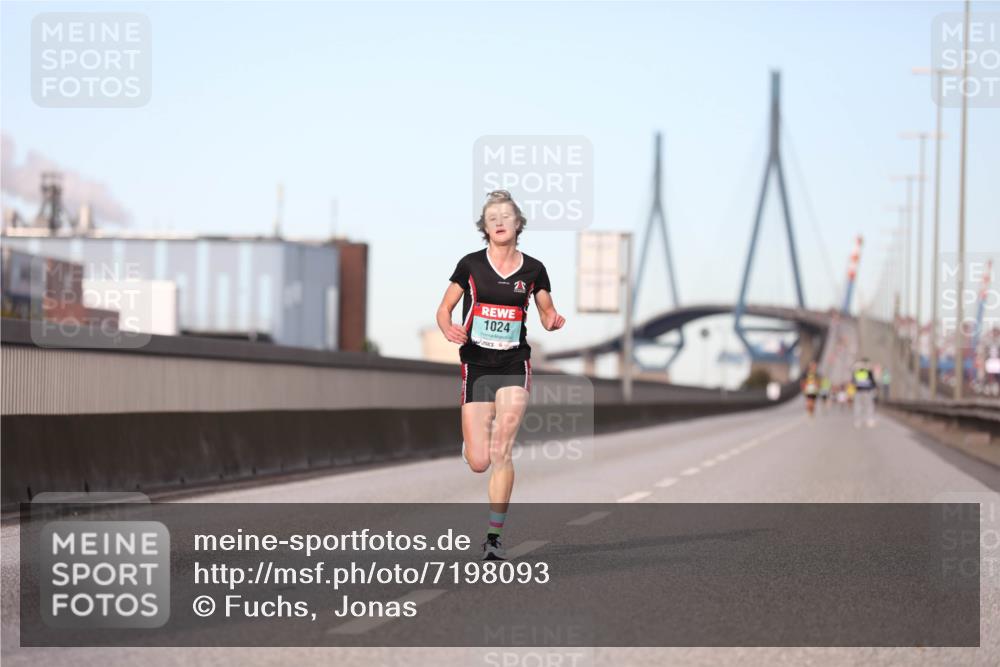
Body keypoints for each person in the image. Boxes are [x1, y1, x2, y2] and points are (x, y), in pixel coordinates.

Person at [437, 190, 565, 561]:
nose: (498, 221)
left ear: (518, 223)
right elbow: (443, 310)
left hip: (513, 364)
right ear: (484, 226)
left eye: (506, 215)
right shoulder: (471, 265)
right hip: (476, 364)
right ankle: (472, 447)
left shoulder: (534, 269)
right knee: (480, 461)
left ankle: (493, 537)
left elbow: (546, 312)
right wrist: (448, 328)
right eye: (491, 216)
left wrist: (552, 321)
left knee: (501, 450)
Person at [851, 358, 878, 428]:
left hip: (858, 391)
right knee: (869, 406)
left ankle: (857, 421)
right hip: (867, 391)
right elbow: (873, 382)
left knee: (858, 406)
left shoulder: (856, 371)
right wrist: (874, 388)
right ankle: (869, 420)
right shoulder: (868, 371)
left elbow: (853, 381)